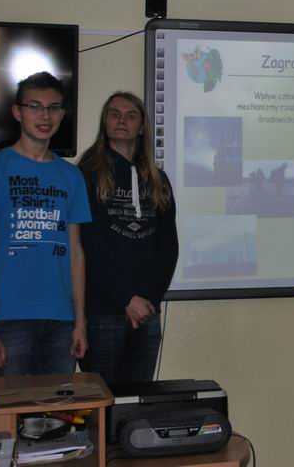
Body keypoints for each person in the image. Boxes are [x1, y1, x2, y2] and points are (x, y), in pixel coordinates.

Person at [0, 71, 90, 376]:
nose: (45, 116)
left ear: (62, 114)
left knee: (57, 407)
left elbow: (76, 253)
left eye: (53, 107)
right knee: (9, 406)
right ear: (17, 112)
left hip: (61, 321)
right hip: (8, 320)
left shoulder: (72, 176)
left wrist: (80, 321)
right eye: (35, 106)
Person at [78, 91, 179, 385]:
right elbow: (90, 244)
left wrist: (148, 299)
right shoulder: (86, 175)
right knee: (103, 403)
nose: (122, 121)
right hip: (102, 314)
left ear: (142, 126)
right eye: (115, 114)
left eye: (131, 116)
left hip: (146, 313)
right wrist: (126, 298)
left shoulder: (158, 180)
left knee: (137, 404)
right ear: (105, 122)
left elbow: (168, 247)